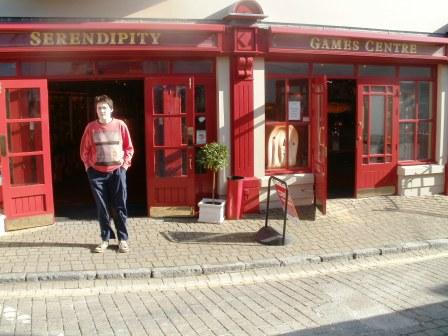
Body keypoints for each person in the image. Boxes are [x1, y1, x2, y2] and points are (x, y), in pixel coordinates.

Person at [80, 95, 134, 253]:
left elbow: (129, 148)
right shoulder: (91, 127)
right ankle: (105, 239)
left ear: (111, 109)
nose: (101, 111)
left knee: (120, 207)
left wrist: (124, 167)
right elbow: (84, 150)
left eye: (104, 108)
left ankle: (123, 239)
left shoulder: (120, 125)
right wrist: (88, 167)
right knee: (102, 208)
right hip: (96, 173)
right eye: (99, 108)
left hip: (117, 172)